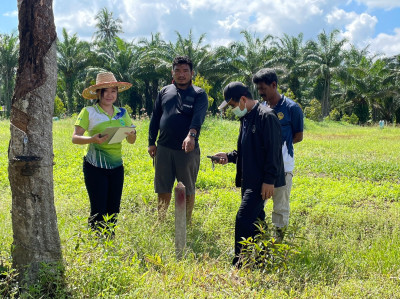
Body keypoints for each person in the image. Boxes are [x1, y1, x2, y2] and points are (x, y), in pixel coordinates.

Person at [213, 82, 285, 266]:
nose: (232, 110)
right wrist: (228, 157)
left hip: (261, 181)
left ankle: (240, 262)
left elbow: (274, 152)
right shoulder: (246, 118)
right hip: (248, 179)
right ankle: (263, 257)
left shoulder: (266, 117)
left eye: (232, 106)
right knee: (257, 219)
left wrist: (269, 180)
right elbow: (247, 151)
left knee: (243, 218)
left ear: (243, 99)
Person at [72, 72, 136, 233]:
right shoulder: (88, 112)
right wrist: (92, 139)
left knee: (114, 208)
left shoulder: (122, 113)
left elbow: (131, 141)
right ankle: (95, 242)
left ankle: (109, 239)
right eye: (105, 91)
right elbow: (75, 138)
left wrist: (132, 135)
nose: (109, 95)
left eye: (113, 91)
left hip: (116, 166)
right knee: (98, 208)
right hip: (94, 166)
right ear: (98, 93)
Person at [148, 56, 208, 223]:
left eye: (185, 71)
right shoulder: (164, 91)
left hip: (186, 149)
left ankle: (185, 222)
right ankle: (161, 220)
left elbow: (198, 118)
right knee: (163, 186)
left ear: (192, 73)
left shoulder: (199, 94)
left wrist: (191, 136)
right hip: (164, 148)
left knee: (187, 188)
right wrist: (151, 142)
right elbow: (155, 117)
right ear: (172, 72)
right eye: (177, 70)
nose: (181, 74)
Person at [252, 68, 304, 241]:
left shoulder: (292, 108)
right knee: (257, 204)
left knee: (280, 207)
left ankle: (278, 243)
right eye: (258, 90)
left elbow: (298, 136)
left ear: (274, 85)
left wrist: (277, 149)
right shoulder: (262, 107)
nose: (260, 93)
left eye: (263, 89)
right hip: (263, 166)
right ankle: (259, 240)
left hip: (283, 166)